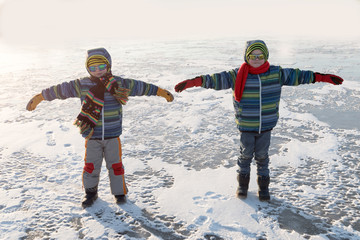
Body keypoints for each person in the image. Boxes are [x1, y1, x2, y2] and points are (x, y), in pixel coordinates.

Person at [174, 40, 343, 201]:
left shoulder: (277, 73)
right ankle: (242, 187)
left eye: (260, 56)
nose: (256, 59)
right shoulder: (236, 75)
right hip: (246, 125)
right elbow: (214, 80)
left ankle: (264, 189)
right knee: (245, 156)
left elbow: (301, 76)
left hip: (266, 126)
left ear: (266, 57)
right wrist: (193, 82)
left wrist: (325, 78)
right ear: (246, 57)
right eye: (252, 56)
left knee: (262, 157)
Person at [26, 48, 174, 208]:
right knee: (90, 166)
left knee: (116, 166)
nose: (97, 71)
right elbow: (60, 90)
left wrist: (160, 92)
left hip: (112, 136)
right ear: (87, 68)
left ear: (108, 66)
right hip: (92, 135)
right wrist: (40, 97)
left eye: (101, 67)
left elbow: (141, 87)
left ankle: (119, 193)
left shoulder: (120, 84)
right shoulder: (81, 85)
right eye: (92, 68)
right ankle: (90, 193)